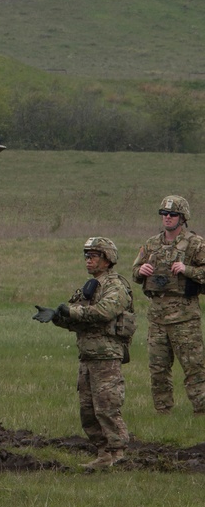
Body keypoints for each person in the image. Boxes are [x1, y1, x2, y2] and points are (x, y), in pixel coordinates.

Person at [34, 236, 134, 469]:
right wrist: (57, 316)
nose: (88, 260)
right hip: (88, 357)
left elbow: (104, 312)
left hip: (107, 357)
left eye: (94, 256)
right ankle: (103, 453)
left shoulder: (115, 286)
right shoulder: (89, 287)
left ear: (107, 259)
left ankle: (118, 454)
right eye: (86, 256)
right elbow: (77, 318)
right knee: (88, 411)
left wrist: (71, 311)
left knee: (107, 408)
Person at [132, 195, 205, 414]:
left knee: (194, 368)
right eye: (164, 214)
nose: (167, 218)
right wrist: (140, 271)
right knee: (158, 369)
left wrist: (187, 270)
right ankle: (163, 413)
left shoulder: (195, 243)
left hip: (185, 318)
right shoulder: (152, 243)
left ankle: (201, 411)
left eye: (172, 214)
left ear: (182, 218)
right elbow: (135, 271)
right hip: (157, 318)